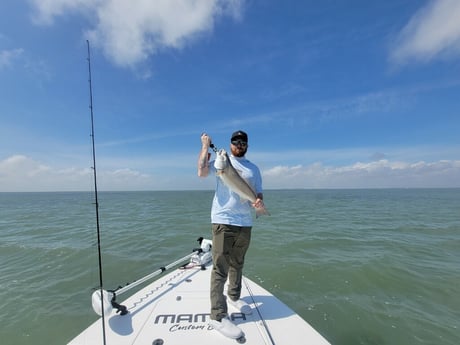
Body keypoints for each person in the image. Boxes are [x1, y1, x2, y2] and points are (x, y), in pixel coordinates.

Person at [197, 130, 265, 339]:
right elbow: (201, 171)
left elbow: (258, 191)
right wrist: (205, 147)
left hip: (245, 222)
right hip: (223, 220)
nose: (239, 144)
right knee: (220, 268)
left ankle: (234, 297)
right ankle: (217, 316)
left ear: (247, 145)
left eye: (243, 141)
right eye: (235, 141)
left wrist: (259, 201)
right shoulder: (222, 164)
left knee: (238, 262)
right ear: (230, 144)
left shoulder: (254, 168)